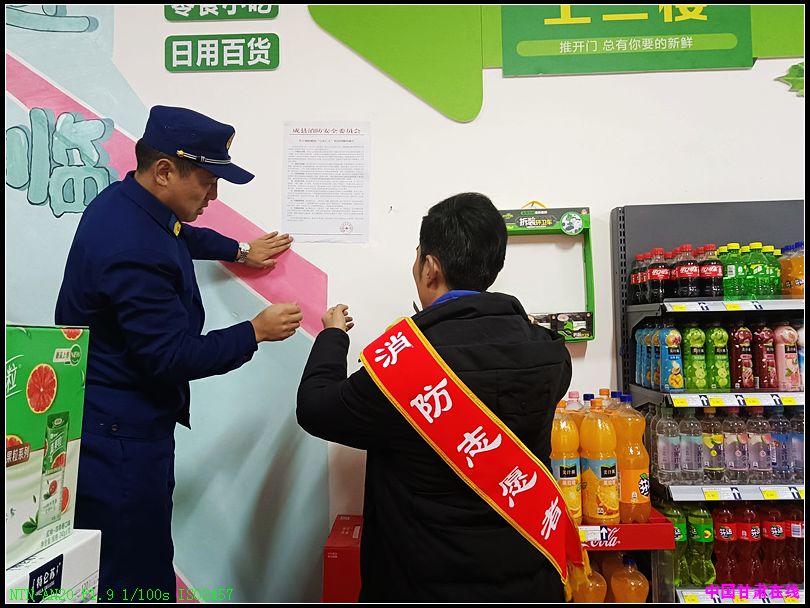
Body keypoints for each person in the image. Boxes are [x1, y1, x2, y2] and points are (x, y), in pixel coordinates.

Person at [55, 105, 302, 602]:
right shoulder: (131, 248)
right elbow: (171, 357)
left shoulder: (126, 203)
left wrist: (238, 250)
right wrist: (254, 331)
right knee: (132, 573)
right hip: (119, 438)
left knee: (134, 559)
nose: (214, 196)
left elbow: (177, 233)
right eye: (207, 183)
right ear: (165, 171)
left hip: (111, 420)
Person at [297, 192, 573, 601]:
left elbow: (316, 407)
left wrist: (333, 335)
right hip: (528, 584)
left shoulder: (406, 366)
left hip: (422, 585)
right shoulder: (550, 353)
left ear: (430, 268)